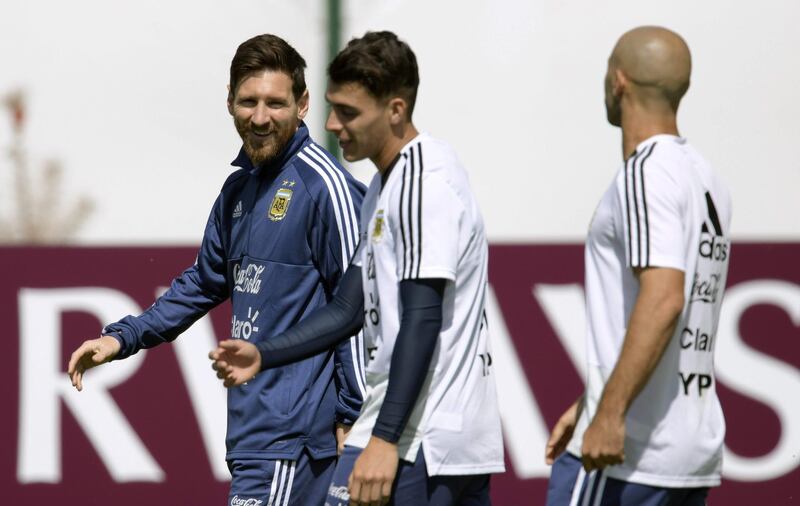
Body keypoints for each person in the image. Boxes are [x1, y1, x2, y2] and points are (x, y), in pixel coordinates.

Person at [67, 34, 367, 506]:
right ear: (229, 103)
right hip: (254, 435)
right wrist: (121, 338)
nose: (261, 117)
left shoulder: (325, 187)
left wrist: (354, 418)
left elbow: (358, 309)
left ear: (303, 104)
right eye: (248, 101)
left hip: (299, 443)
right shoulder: (237, 191)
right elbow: (203, 283)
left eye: (275, 102)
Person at [210, 31, 505, 505]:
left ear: (395, 110)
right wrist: (265, 354)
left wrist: (386, 439)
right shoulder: (387, 187)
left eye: (348, 112)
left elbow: (422, 318)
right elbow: (348, 308)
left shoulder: (423, 182)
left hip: (420, 438)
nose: (332, 124)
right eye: (333, 107)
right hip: (423, 435)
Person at [544, 26, 732, 505]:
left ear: (618, 81)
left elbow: (665, 299)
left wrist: (609, 411)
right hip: (689, 453)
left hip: (632, 453)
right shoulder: (705, 177)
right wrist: (593, 398)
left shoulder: (645, 172)